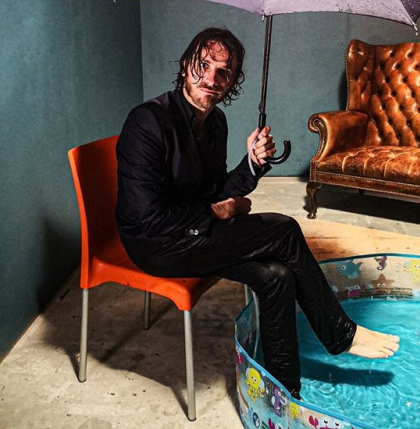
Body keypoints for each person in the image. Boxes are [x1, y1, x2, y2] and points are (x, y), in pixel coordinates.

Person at [116, 26, 400, 398]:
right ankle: (340, 334)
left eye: (224, 72)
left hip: (198, 236)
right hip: (157, 245)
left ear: (232, 82)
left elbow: (217, 190)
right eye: (203, 65)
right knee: (284, 229)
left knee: (275, 275)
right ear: (185, 65)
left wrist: (252, 162)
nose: (212, 79)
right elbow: (149, 218)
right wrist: (219, 212)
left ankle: (282, 390)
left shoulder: (215, 122)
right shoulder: (147, 121)